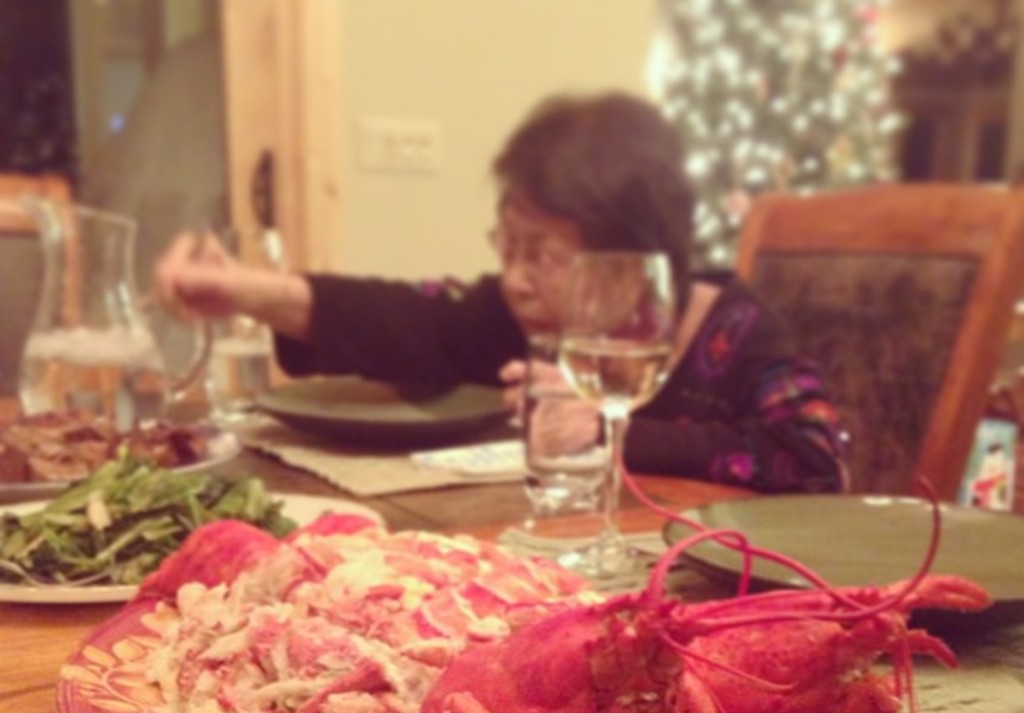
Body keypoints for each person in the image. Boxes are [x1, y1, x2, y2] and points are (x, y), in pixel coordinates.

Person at [154, 91, 847, 493]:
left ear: (633, 259)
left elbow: (817, 457)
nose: (514, 276)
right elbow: (405, 318)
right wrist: (250, 292)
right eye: (507, 244)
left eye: (541, 253)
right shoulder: (519, 313)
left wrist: (617, 432)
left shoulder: (737, 332)